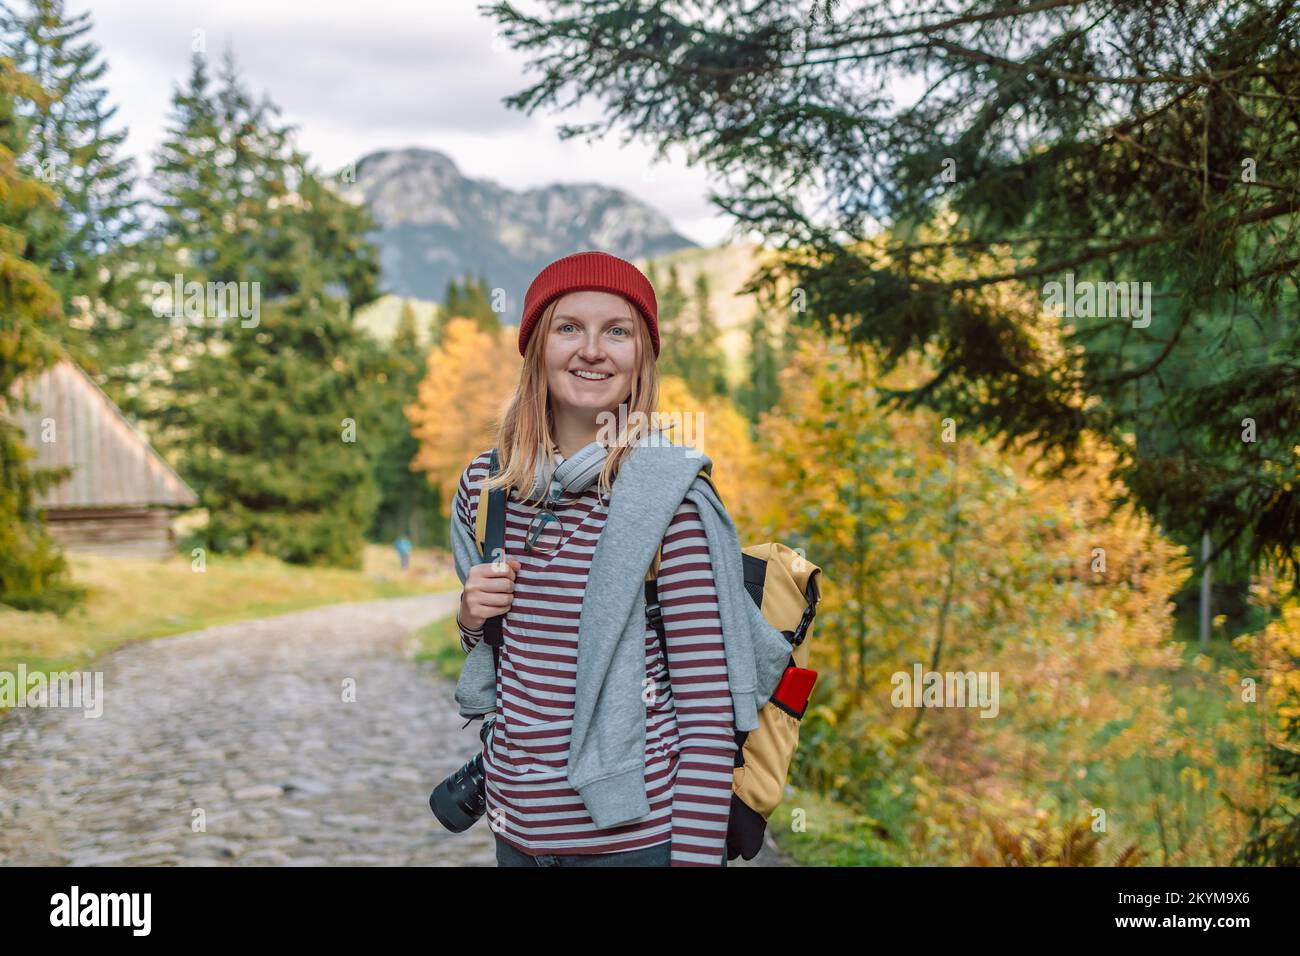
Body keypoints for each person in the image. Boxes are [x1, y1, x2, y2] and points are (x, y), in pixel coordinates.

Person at [453, 250, 734, 867]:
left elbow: (709, 723)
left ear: (642, 359)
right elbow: (504, 656)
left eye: (617, 331)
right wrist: (471, 617)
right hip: (515, 831)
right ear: (536, 348)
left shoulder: (667, 501)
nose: (592, 350)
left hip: (629, 843)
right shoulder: (490, 486)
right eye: (568, 327)